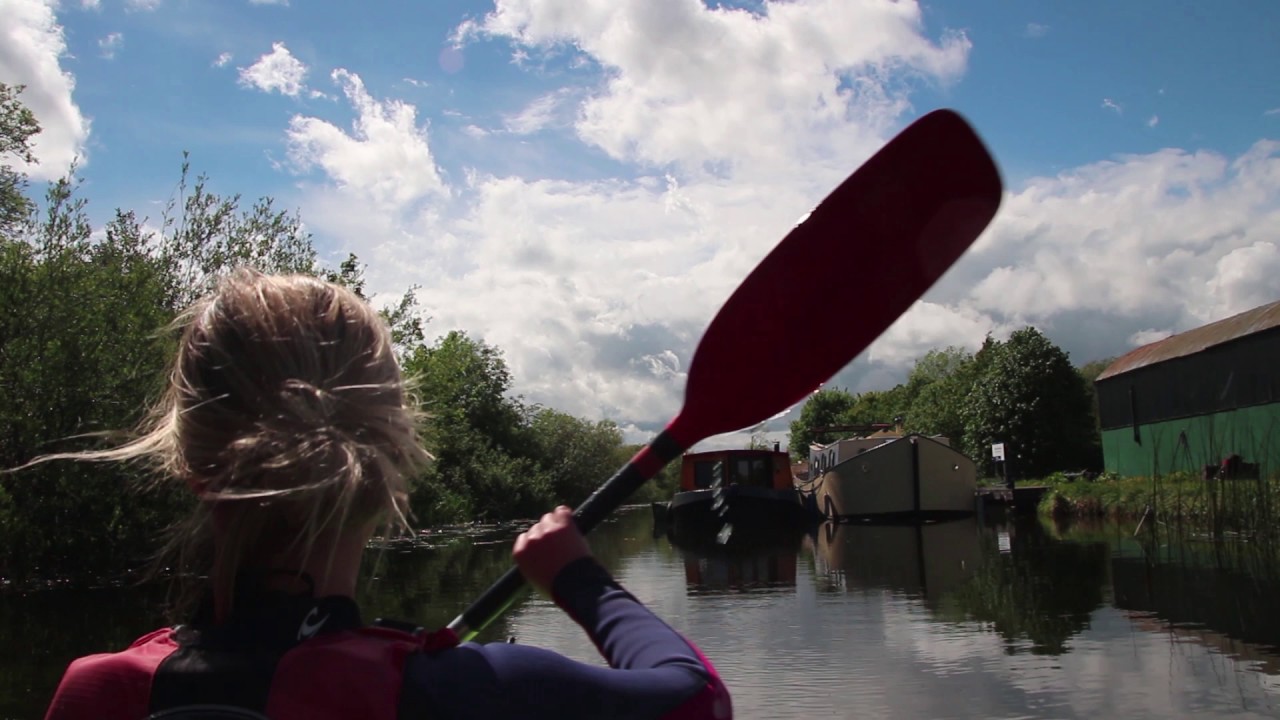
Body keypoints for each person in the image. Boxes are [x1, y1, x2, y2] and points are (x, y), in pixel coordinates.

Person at [38, 269, 732, 720]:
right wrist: (580, 579)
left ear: (190, 461)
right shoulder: (454, 692)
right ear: (391, 456)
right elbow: (697, 698)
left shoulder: (93, 693)